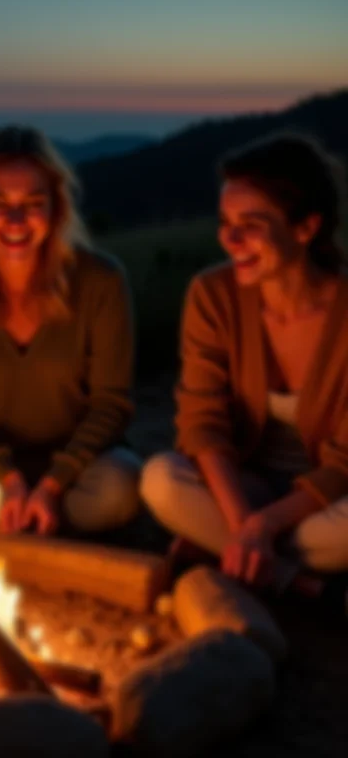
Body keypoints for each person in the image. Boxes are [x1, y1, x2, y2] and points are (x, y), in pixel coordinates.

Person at [141, 133, 348, 586]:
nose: (230, 239)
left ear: (306, 228)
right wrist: (244, 522)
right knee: (159, 479)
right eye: (224, 221)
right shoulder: (212, 295)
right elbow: (201, 422)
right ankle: (297, 581)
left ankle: (229, 549)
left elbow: (346, 461)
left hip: (327, 502)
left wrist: (266, 525)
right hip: (243, 487)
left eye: (251, 224)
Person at [0, 125, 141, 537]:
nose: (16, 220)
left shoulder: (100, 280)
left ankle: (20, 524)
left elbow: (111, 404)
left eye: (33, 203)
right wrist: (9, 480)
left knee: (122, 485)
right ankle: (39, 528)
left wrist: (53, 484)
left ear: (55, 209)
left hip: (80, 470)